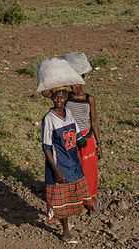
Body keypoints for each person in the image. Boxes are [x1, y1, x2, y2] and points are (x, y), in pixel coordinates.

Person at [41, 86, 90, 243]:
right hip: (59, 165)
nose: (59, 100)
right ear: (51, 98)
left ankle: (62, 220)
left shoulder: (68, 113)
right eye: (56, 97)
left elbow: (76, 132)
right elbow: (46, 147)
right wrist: (56, 170)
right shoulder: (49, 118)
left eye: (62, 97)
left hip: (72, 162)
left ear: (66, 98)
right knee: (61, 200)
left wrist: (83, 141)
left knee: (70, 195)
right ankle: (65, 231)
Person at [63, 52, 102, 214]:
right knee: (72, 169)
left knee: (89, 170)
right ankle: (76, 199)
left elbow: (93, 121)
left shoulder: (89, 99)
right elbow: (46, 94)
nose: (74, 86)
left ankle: (90, 199)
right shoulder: (64, 97)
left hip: (86, 138)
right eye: (71, 82)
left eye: (76, 81)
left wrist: (98, 143)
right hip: (70, 138)